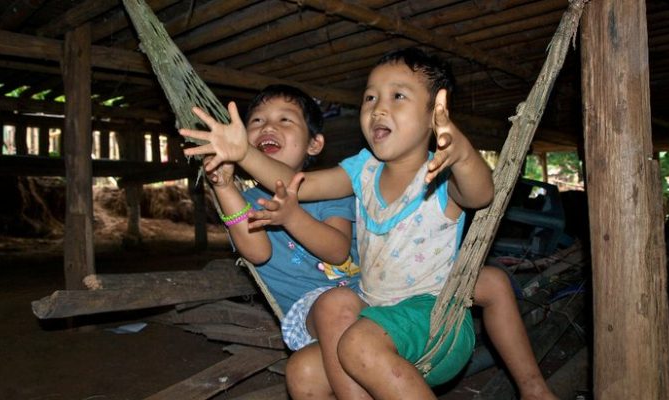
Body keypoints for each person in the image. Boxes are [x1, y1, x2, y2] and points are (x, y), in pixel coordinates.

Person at [181, 48, 556, 400]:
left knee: (357, 342)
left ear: (435, 113)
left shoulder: (439, 173)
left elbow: (480, 195)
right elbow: (297, 185)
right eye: (370, 97)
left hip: (432, 324)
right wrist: (244, 153)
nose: (378, 108)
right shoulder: (361, 172)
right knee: (303, 373)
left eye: (397, 96)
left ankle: (535, 389)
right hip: (377, 316)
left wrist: (461, 153)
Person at [200, 84, 364, 364]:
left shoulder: (329, 190)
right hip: (307, 313)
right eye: (257, 120)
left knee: (306, 374)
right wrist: (225, 188)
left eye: (284, 119)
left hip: (365, 299)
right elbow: (258, 253)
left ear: (314, 144)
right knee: (329, 318)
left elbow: (337, 251)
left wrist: (292, 217)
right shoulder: (244, 201)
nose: (267, 127)